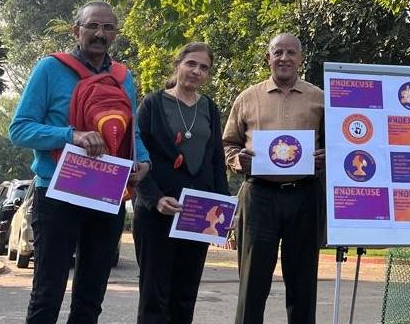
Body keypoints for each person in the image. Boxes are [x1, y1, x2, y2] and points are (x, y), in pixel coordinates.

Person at [9, 0, 151, 324]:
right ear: (77, 30)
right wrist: (71, 135)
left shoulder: (123, 77)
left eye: (107, 27)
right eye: (92, 26)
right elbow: (19, 129)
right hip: (57, 193)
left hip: (106, 194)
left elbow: (133, 131)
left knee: (91, 297)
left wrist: (143, 161)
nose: (100, 33)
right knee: (48, 293)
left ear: (115, 34)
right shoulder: (50, 69)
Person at [223, 33, 325, 324]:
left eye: (291, 52)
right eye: (277, 52)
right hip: (259, 196)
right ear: (268, 58)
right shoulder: (248, 97)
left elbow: (337, 146)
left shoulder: (319, 98)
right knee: (252, 283)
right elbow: (228, 143)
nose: (284, 58)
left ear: (301, 58)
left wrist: (324, 157)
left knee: (303, 283)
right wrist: (236, 159)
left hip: (304, 195)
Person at [133, 42, 230, 324]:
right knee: (154, 294)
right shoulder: (151, 103)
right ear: (177, 65)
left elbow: (216, 160)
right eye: (191, 64)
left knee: (185, 295)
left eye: (204, 68)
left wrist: (224, 207)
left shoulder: (209, 107)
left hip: (197, 214)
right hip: (157, 212)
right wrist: (154, 198)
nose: (196, 71)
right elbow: (137, 156)